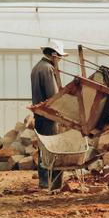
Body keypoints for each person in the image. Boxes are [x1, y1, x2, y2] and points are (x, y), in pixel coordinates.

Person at [30, 39, 66, 190]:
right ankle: (48, 182)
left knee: (43, 148)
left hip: (40, 115)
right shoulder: (48, 69)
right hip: (48, 116)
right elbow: (53, 96)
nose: (60, 60)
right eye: (59, 57)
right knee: (50, 149)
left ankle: (43, 181)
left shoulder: (37, 67)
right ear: (53, 55)